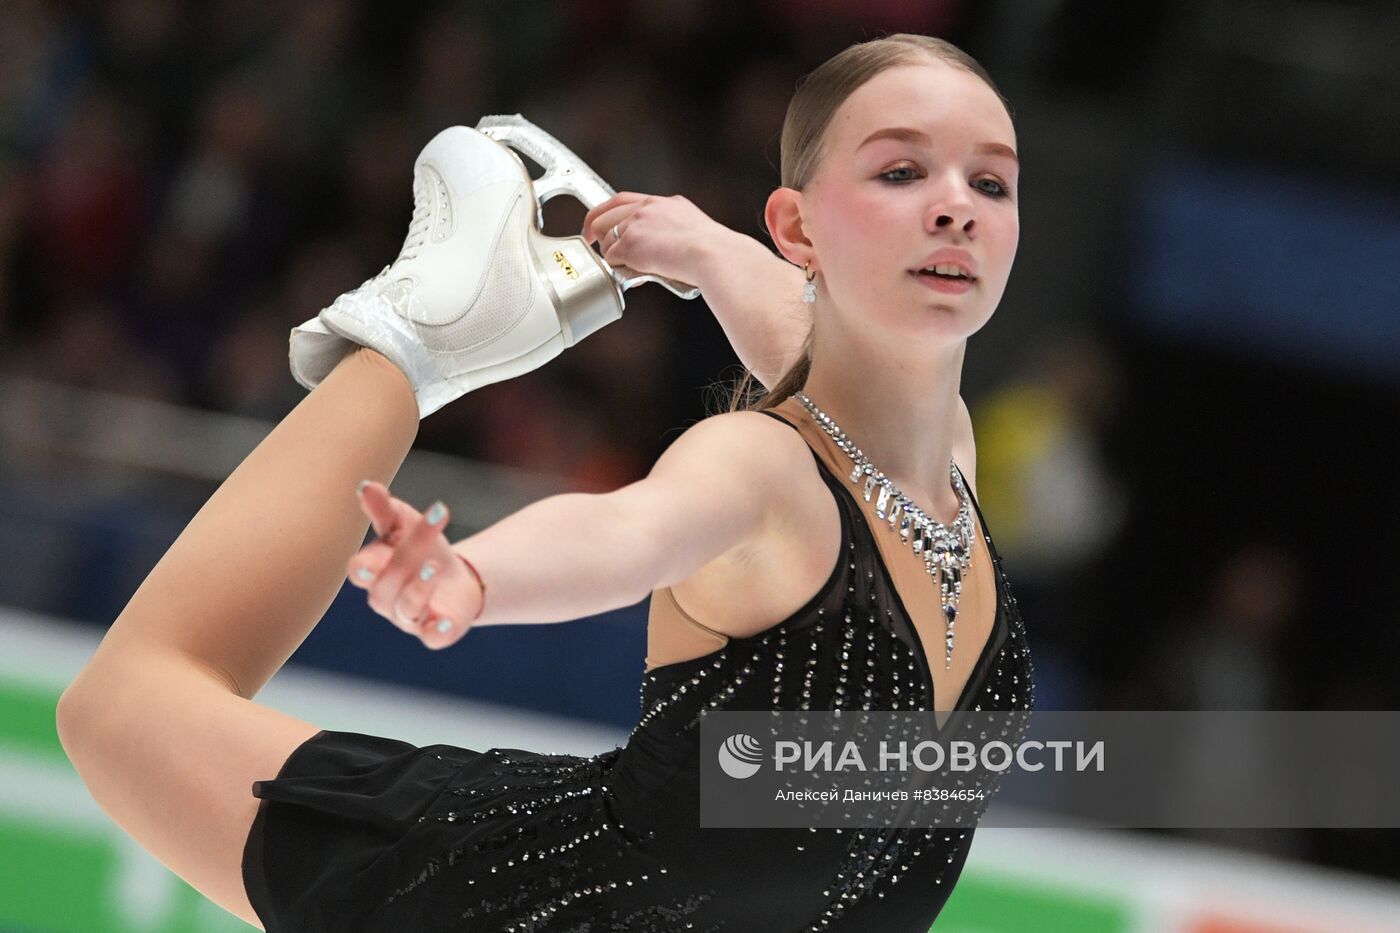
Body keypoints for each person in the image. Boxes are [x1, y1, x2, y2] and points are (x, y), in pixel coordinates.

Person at [55, 32, 1033, 932]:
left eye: (989, 183)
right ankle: (421, 332)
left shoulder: (938, 454)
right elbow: (631, 530)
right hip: (511, 905)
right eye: (900, 171)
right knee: (122, 708)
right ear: (798, 224)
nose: (954, 205)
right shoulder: (763, 470)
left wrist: (702, 249)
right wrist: (476, 579)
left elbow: (843, 361)